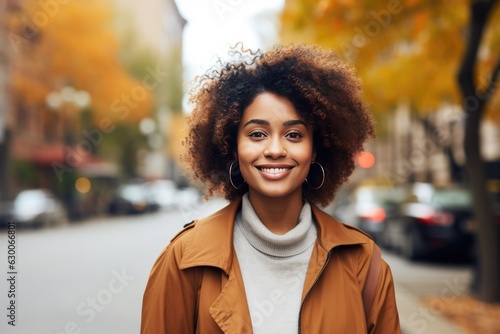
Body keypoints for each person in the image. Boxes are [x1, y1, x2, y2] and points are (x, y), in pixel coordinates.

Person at [140, 43, 401, 333]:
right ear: (232, 145)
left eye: (293, 134)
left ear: (315, 149)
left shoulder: (364, 263)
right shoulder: (184, 258)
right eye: (257, 134)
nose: (275, 149)